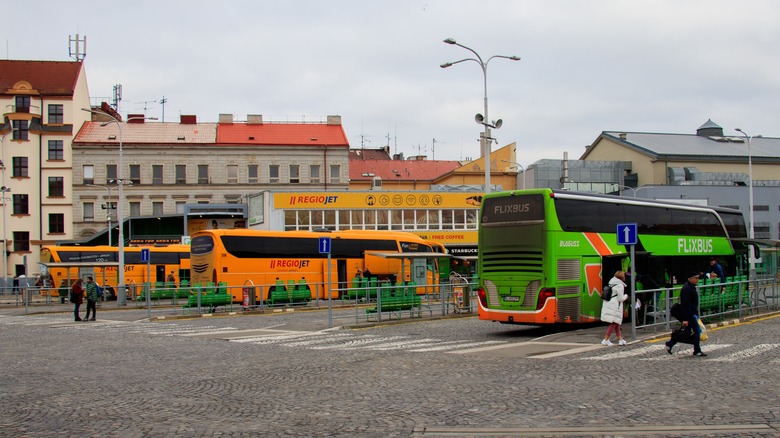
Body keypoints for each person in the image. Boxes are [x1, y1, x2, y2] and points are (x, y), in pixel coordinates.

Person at [666, 271, 707, 357]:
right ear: (690, 278)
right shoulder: (687, 289)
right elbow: (685, 304)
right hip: (689, 315)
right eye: (695, 278)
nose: (697, 280)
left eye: (697, 278)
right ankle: (697, 350)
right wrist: (685, 319)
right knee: (697, 331)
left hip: (691, 313)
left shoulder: (691, 287)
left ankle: (670, 343)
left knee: (686, 332)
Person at [600, 271, 629, 346]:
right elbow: (620, 298)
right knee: (614, 322)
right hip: (615, 305)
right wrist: (626, 296)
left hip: (609, 303)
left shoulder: (611, 282)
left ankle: (620, 339)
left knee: (617, 322)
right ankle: (605, 339)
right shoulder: (620, 285)